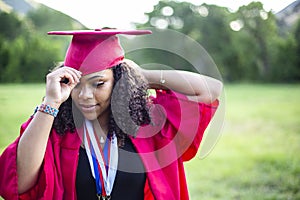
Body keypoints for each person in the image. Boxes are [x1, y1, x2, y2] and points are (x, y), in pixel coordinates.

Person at [0, 28, 223, 200]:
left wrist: (143, 75)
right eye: (75, 84)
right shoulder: (54, 125)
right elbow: (19, 184)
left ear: (118, 81)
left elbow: (211, 89)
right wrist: (51, 102)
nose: (85, 96)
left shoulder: (148, 122)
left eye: (98, 84)